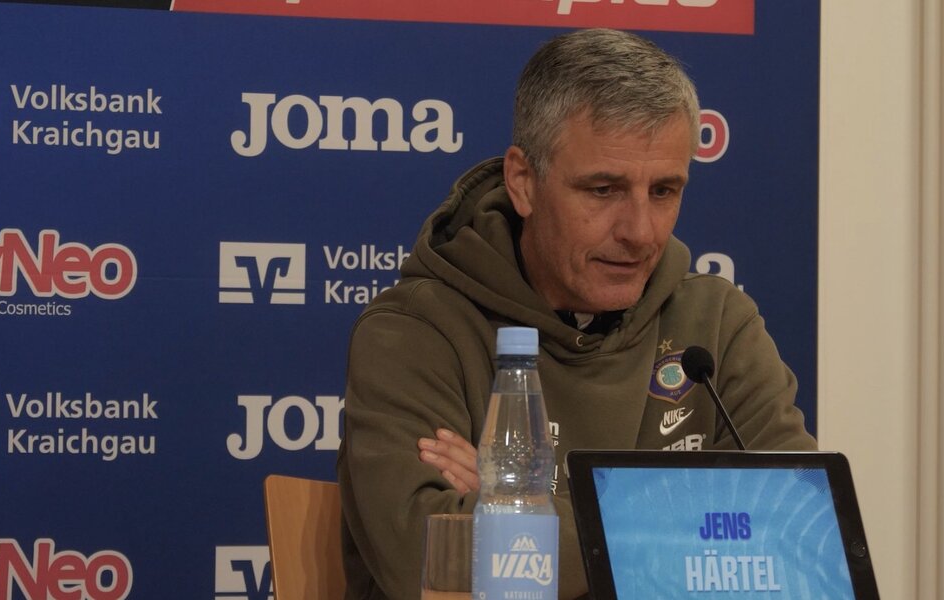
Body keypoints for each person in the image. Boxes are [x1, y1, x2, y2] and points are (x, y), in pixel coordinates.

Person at [336, 28, 817, 600]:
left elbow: (801, 532)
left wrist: (515, 514)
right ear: (524, 183)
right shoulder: (415, 331)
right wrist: (697, 519)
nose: (640, 232)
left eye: (664, 191)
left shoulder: (716, 324)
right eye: (603, 190)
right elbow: (429, 556)